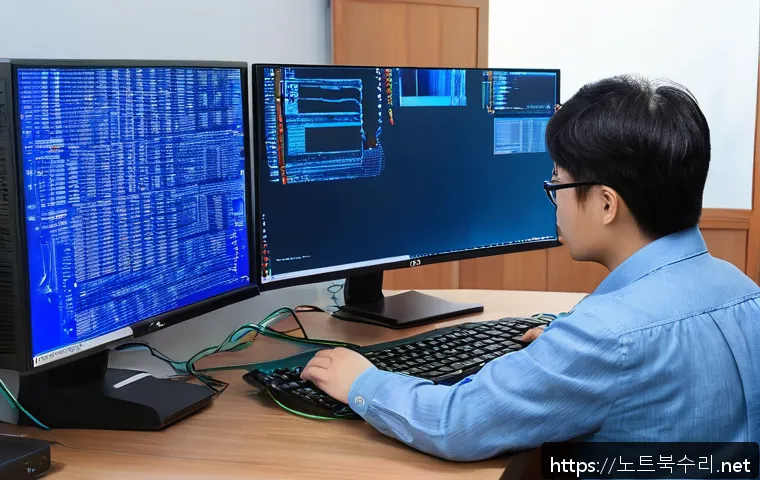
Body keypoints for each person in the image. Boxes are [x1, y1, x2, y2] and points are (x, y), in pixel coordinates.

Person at [301, 75, 760, 461]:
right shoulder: (745, 293)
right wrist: (564, 350)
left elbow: (457, 423)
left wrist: (362, 381)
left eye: (557, 183)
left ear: (606, 204)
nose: (554, 200)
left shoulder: (605, 336)